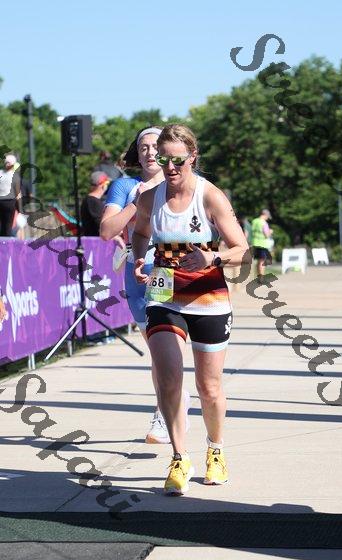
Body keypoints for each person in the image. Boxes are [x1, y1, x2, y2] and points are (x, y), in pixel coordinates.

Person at [133, 124, 250, 495]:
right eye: (164, 159)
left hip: (208, 295)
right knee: (169, 378)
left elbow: (242, 249)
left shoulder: (210, 195)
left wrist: (213, 257)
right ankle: (179, 457)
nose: (170, 167)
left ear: (193, 157)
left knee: (208, 387)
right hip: (164, 293)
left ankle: (215, 450)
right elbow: (140, 233)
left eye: (178, 160)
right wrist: (138, 258)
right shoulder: (149, 198)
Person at [100, 126, 191, 444]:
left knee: (165, 346)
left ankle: (164, 413)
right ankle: (175, 399)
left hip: (169, 266)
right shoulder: (125, 186)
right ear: (136, 154)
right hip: (137, 270)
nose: (150, 152)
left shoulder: (179, 180)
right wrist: (136, 204)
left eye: (156, 146)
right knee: (157, 349)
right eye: (143, 147)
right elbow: (106, 231)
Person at [81, 171, 110, 236]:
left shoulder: (88, 200)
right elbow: (102, 226)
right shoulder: (93, 202)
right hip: (97, 241)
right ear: (103, 185)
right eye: (107, 183)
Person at [0, 154, 21, 237]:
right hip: (10, 203)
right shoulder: (15, 176)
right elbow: (18, 194)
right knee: (8, 225)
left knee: (1, 225)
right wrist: (20, 209)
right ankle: (6, 243)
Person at [251, 208, 274, 280]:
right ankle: (261, 278)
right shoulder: (264, 223)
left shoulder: (254, 221)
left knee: (257, 261)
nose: (267, 218)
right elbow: (266, 235)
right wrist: (270, 232)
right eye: (267, 217)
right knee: (262, 262)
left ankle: (257, 276)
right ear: (265, 215)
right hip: (262, 244)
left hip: (254, 243)